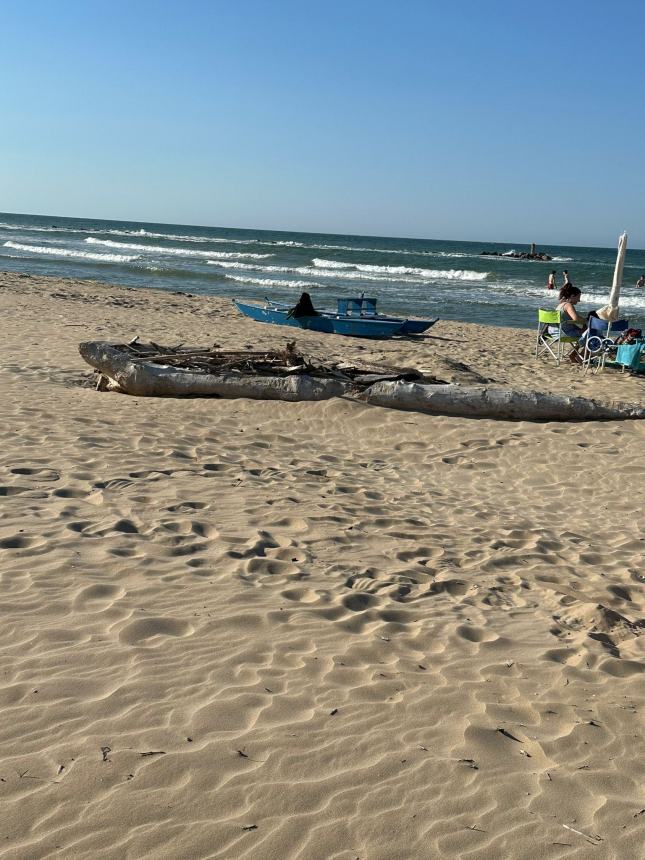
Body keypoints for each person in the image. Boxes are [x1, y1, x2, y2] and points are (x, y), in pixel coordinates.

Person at [549, 284, 587, 363]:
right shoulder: (568, 305)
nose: (579, 300)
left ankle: (573, 354)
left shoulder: (561, 304)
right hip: (563, 333)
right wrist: (587, 320)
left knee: (584, 330)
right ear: (572, 296)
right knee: (589, 334)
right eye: (578, 297)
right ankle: (577, 355)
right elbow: (576, 318)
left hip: (553, 331)